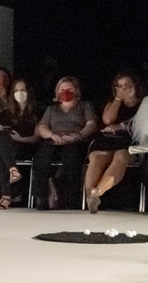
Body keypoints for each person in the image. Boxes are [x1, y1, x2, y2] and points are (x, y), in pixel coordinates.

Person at [32, 76, 98, 210]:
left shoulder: (85, 106)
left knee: (72, 158)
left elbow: (91, 124)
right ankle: (41, 197)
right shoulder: (51, 109)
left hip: (75, 140)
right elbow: (42, 127)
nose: (65, 92)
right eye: (62, 89)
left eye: (69, 89)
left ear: (76, 90)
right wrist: (52, 135)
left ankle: (70, 199)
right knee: (41, 158)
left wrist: (78, 135)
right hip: (53, 140)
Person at [84, 71, 145, 213]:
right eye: (120, 86)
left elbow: (144, 125)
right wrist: (118, 99)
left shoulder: (144, 104)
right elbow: (108, 120)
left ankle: (97, 192)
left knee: (121, 157)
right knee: (97, 157)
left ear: (135, 85)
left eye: (127, 85)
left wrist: (123, 126)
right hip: (108, 139)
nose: (124, 88)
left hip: (130, 140)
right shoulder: (112, 103)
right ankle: (90, 195)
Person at [0, 78, 39, 209]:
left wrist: (20, 139)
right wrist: (7, 138)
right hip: (7, 148)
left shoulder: (36, 112)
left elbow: (37, 138)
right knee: (0, 138)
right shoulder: (6, 112)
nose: (19, 93)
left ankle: (6, 195)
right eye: (16, 90)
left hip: (26, 147)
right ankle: (13, 171)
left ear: (28, 92)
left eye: (22, 90)